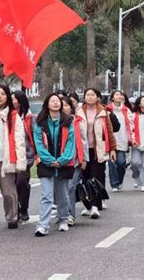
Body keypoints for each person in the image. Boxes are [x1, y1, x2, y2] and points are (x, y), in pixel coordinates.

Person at [33, 94, 75, 236]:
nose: (56, 103)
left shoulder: (68, 121)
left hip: (64, 164)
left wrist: (62, 160)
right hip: (46, 164)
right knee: (47, 195)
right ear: (47, 104)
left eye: (58, 101)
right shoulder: (40, 123)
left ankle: (63, 219)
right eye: (52, 101)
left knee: (62, 194)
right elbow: (38, 145)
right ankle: (43, 225)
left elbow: (71, 143)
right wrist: (50, 160)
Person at [0, 85, 26, 233]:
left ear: (7, 97)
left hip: (7, 158)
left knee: (8, 192)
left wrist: (19, 159)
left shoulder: (13, 116)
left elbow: (19, 139)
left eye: (2, 94)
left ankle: (12, 216)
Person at [76, 88, 116, 219]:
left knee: (95, 177)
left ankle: (94, 206)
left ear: (97, 97)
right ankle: (88, 205)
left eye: (93, 95)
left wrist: (112, 149)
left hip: (98, 149)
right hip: (83, 150)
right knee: (85, 178)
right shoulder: (79, 112)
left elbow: (109, 131)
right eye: (88, 95)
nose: (90, 97)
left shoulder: (103, 112)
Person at [61, 96, 89, 226]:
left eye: (66, 105)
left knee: (71, 187)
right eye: (62, 105)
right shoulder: (54, 122)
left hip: (75, 160)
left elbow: (84, 141)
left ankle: (70, 215)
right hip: (59, 160)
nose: (64, 107)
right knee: (61, 188)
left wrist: (84, 158)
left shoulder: (77, 121)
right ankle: (62, 213)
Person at [11, 91, 36, 222]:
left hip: (25, 155)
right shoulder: (8, 115)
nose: (11, 101)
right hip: (9, 155)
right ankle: (15, 210)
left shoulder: (29, 117)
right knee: (12, 184)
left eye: (13, 99)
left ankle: (24, 208)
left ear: (20, 102)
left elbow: (34, 136)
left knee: (22, 182)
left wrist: (35, 154)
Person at [106, 90, 133, 191]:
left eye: (120, 95)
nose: (119, 96)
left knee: (121, 163)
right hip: (110, 140)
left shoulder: (126, 110)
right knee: (112, 163)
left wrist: (132, 137)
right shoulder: (107, 110)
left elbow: (131, 124)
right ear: (112, 98)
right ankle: (114, 184)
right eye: (117, 94)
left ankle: (120, 180)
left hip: (122, 139)